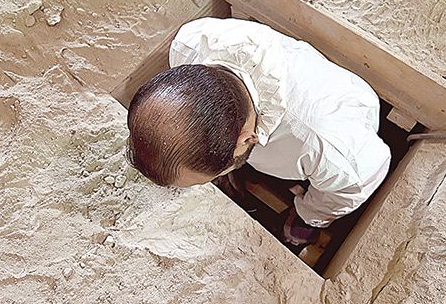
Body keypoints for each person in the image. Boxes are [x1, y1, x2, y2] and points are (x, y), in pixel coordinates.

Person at [126, 17, 391, 248]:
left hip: (340, 122)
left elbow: (355, 184)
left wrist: (309, 216)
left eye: (206, 179)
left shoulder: (327, 149)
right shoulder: (191, 43)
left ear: (247, 140)